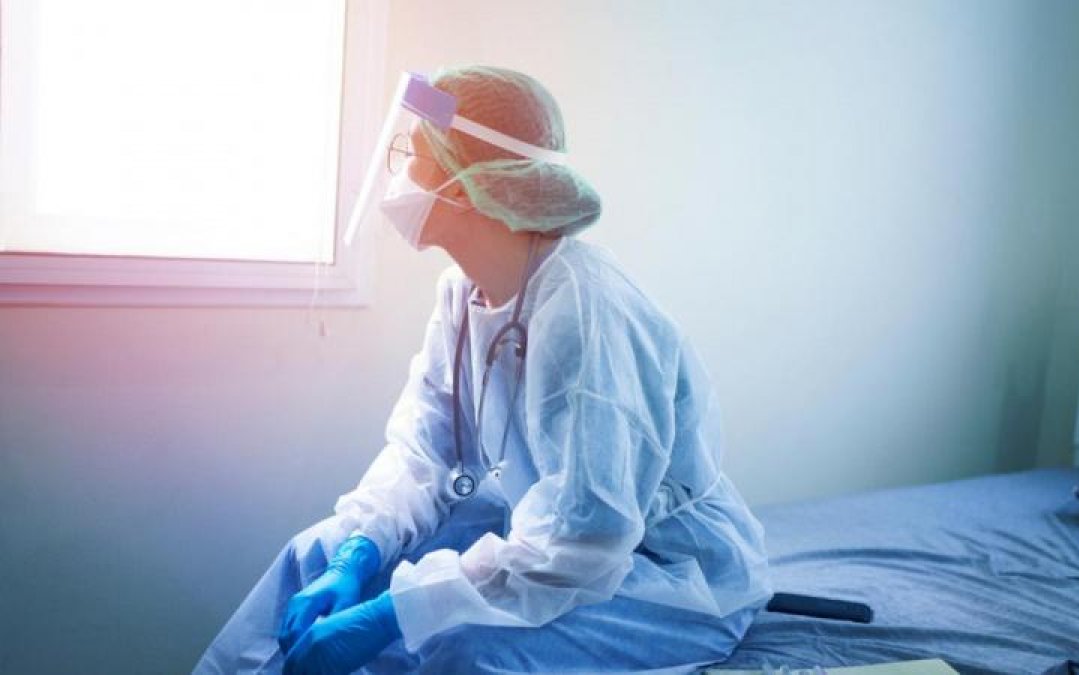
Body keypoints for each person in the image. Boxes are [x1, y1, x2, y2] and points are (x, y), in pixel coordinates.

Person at [195, 65, 771, 675]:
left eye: (415, 157)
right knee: (315, 554)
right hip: (545, 532)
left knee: (462, 651)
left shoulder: (585, 314)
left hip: (660, 573)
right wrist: (358, 552)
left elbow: (582, 543)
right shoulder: (461, 293)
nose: (401, 176)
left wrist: (391, 612)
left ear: (471, 186)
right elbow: (424, 453)